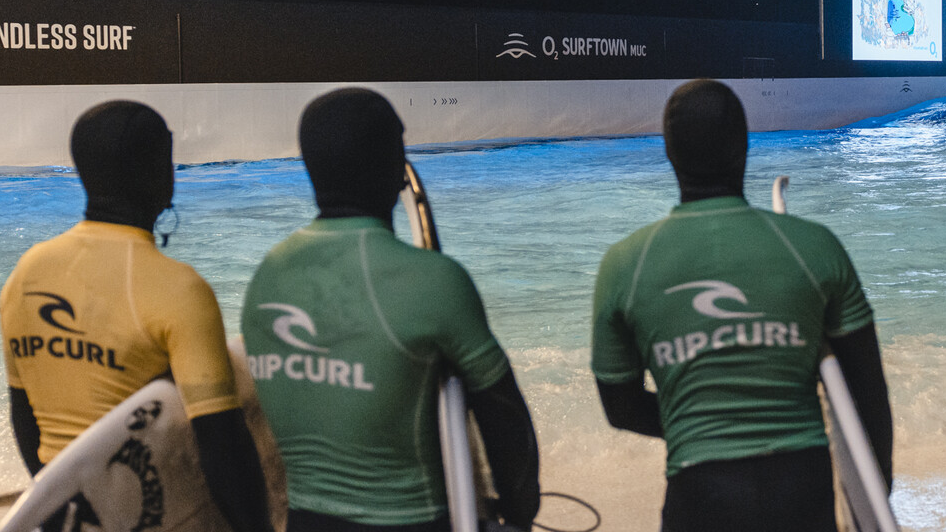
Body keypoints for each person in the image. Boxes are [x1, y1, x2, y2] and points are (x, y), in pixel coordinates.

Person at [591, 79, 893, 532]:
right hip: (802, 489)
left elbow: (621, 408)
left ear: (669, 153)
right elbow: (867, 391)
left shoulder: (624, 265)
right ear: (744, 146)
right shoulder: (813, 248)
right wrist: (876, 496)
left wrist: (697, 422)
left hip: (699, 494)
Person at [242, 88, 540, 532]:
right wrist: (518, 515)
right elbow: (505, 422)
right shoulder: (433, 280)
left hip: (304, 522)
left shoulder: (268, 275)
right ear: (393, 164)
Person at [0, 100, 272, 532]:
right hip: (152, 514)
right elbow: (222, 446)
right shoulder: (179, 288)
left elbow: (24, 419)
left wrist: (57, 502)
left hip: (60, 512)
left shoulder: (26, 273)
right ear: (161, 173)